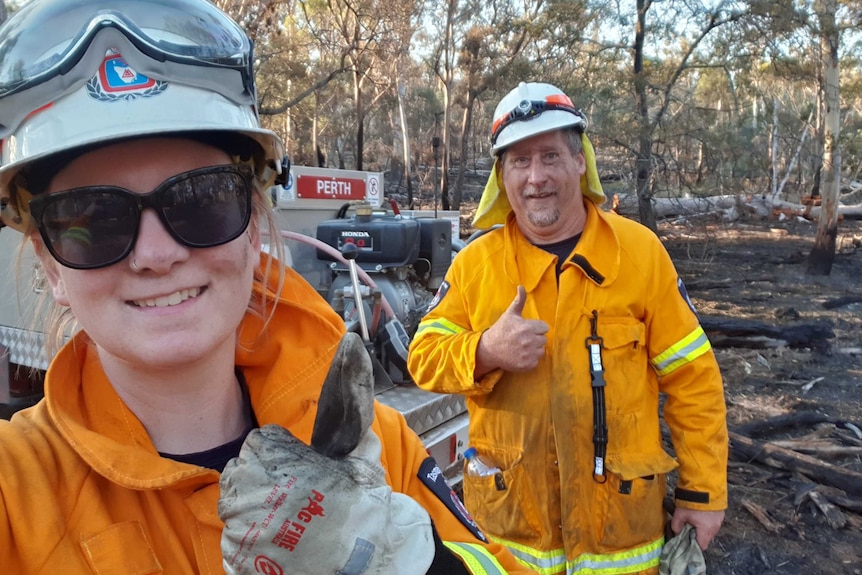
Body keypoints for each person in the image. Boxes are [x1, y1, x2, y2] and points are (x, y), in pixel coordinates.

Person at [0, 2, 534, 573]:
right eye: (94, 218)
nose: (155, 255)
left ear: (254, 227)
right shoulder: (15, 495)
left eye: (200, 200)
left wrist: (414, 563)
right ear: (51, 265)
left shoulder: (373, 444)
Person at [408, 82, 728, 575]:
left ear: (581, 161)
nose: (536, 177)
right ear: (501, 174)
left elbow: (693, 378)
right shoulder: (476, 264)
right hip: (510, 542)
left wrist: (702, 492)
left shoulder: (639, 254)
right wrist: (485, 350)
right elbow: (423, 356)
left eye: (551, 156)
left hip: (622, 543)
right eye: (520, 160)